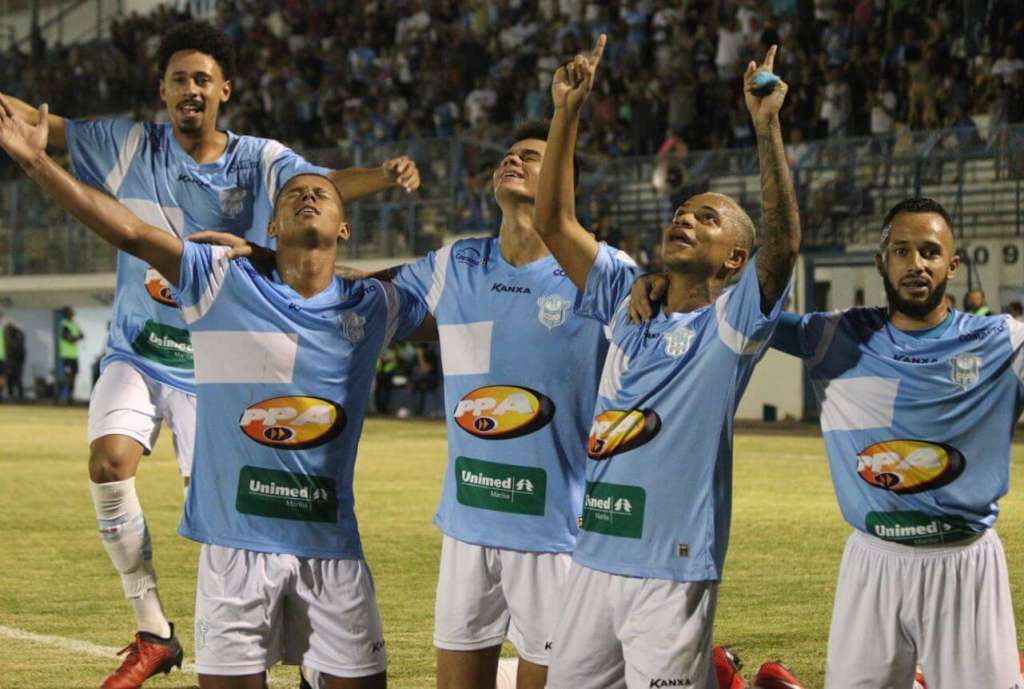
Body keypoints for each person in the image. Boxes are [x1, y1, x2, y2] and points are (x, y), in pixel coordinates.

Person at [0, 20, 420, 688]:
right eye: (179, 79)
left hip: (213, 370)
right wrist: (26, 140)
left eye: (203, 78)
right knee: (109, 462)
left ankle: (304, 651)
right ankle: (153, 629)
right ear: (162, 91)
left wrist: (383, 176)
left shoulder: (260, 160)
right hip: (139, 352)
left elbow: (322, 184)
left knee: (235, 513)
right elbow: (38, 126)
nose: (190, 88)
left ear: (224, 90)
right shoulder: (127, 144)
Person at [534, 39, 799, 689]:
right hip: (593, 557)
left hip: (672, 568)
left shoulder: (731, 324)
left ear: (734, 260)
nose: (686, 219)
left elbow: (783, 243)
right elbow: (553, 222)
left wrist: (766, 127)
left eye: (707, 219)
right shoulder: (624, 294)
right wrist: (567, 112)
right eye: (682, 213)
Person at [770, 198, 1021, 689]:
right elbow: (745, 314)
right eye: (902, 251)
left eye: (930, 251)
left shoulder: (1001, 342)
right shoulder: (835, 337)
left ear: (952, 265)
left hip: (964, 561)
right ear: (881, 262)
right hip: (873, 560)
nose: (916, 263)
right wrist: (664, 286)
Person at [58, 305, 84, 404]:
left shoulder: (74, 324)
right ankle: (63, 397)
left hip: (74, 356)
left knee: (74, 376)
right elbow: (69, 339)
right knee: (67, 377)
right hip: (66, 356)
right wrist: (76, 337)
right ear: (66, 314)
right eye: (71, 313)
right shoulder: (64, 325)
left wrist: (74, 337)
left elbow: (82, 335)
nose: (73, 314)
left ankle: (70, 397)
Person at [4, 319, 26, 401]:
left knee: (15, 379)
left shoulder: (16, 338)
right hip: (12, 361)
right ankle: (13, 395)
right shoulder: (10, 338)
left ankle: (18, 396)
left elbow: (19, 350)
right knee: (12, 379)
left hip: (14, 361)